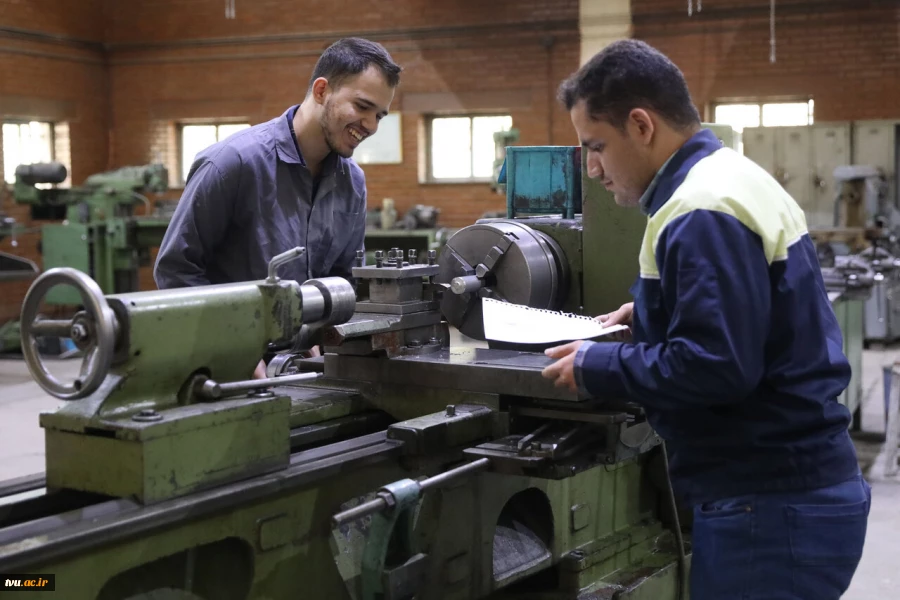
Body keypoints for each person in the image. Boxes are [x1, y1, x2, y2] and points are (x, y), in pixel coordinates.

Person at [541, 39, 870, 599]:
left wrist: (602, 364)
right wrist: (650, 315)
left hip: (767, 507)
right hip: (788, 493)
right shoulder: (727, 178)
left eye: (596, 146)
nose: (591, 168)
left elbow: (717, 368)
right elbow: (748, 321)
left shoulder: (701, 209)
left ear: (641, 125)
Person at [154, 37, 401, 377]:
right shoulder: (233, 163)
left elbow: (344, 278)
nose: (371, 125)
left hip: (302, 367)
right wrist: (229, 345)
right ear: (321, 91)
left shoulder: (352, 182)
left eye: (380, 115)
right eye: (361, 107)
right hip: (225, 368)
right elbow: (176, 269)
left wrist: (321, 332)